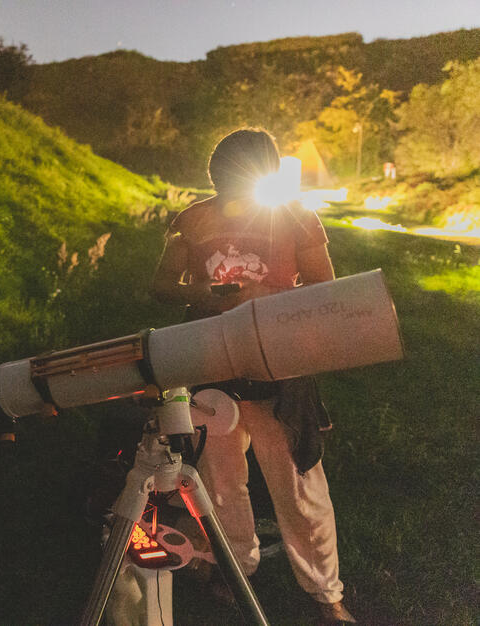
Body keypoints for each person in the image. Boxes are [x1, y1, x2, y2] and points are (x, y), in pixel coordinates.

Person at [150, 128, 356, 624]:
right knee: (221, 479)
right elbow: (159, 286)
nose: (232, 185)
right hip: (211, 360)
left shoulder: (295, 217)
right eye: (224, 176)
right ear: (215, 175)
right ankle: (236, 564)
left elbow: (324, 287)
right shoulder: (194, 219)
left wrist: (270, 301)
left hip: (278, 364)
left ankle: (325, 591)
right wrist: (201, 291)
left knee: (297, 482)